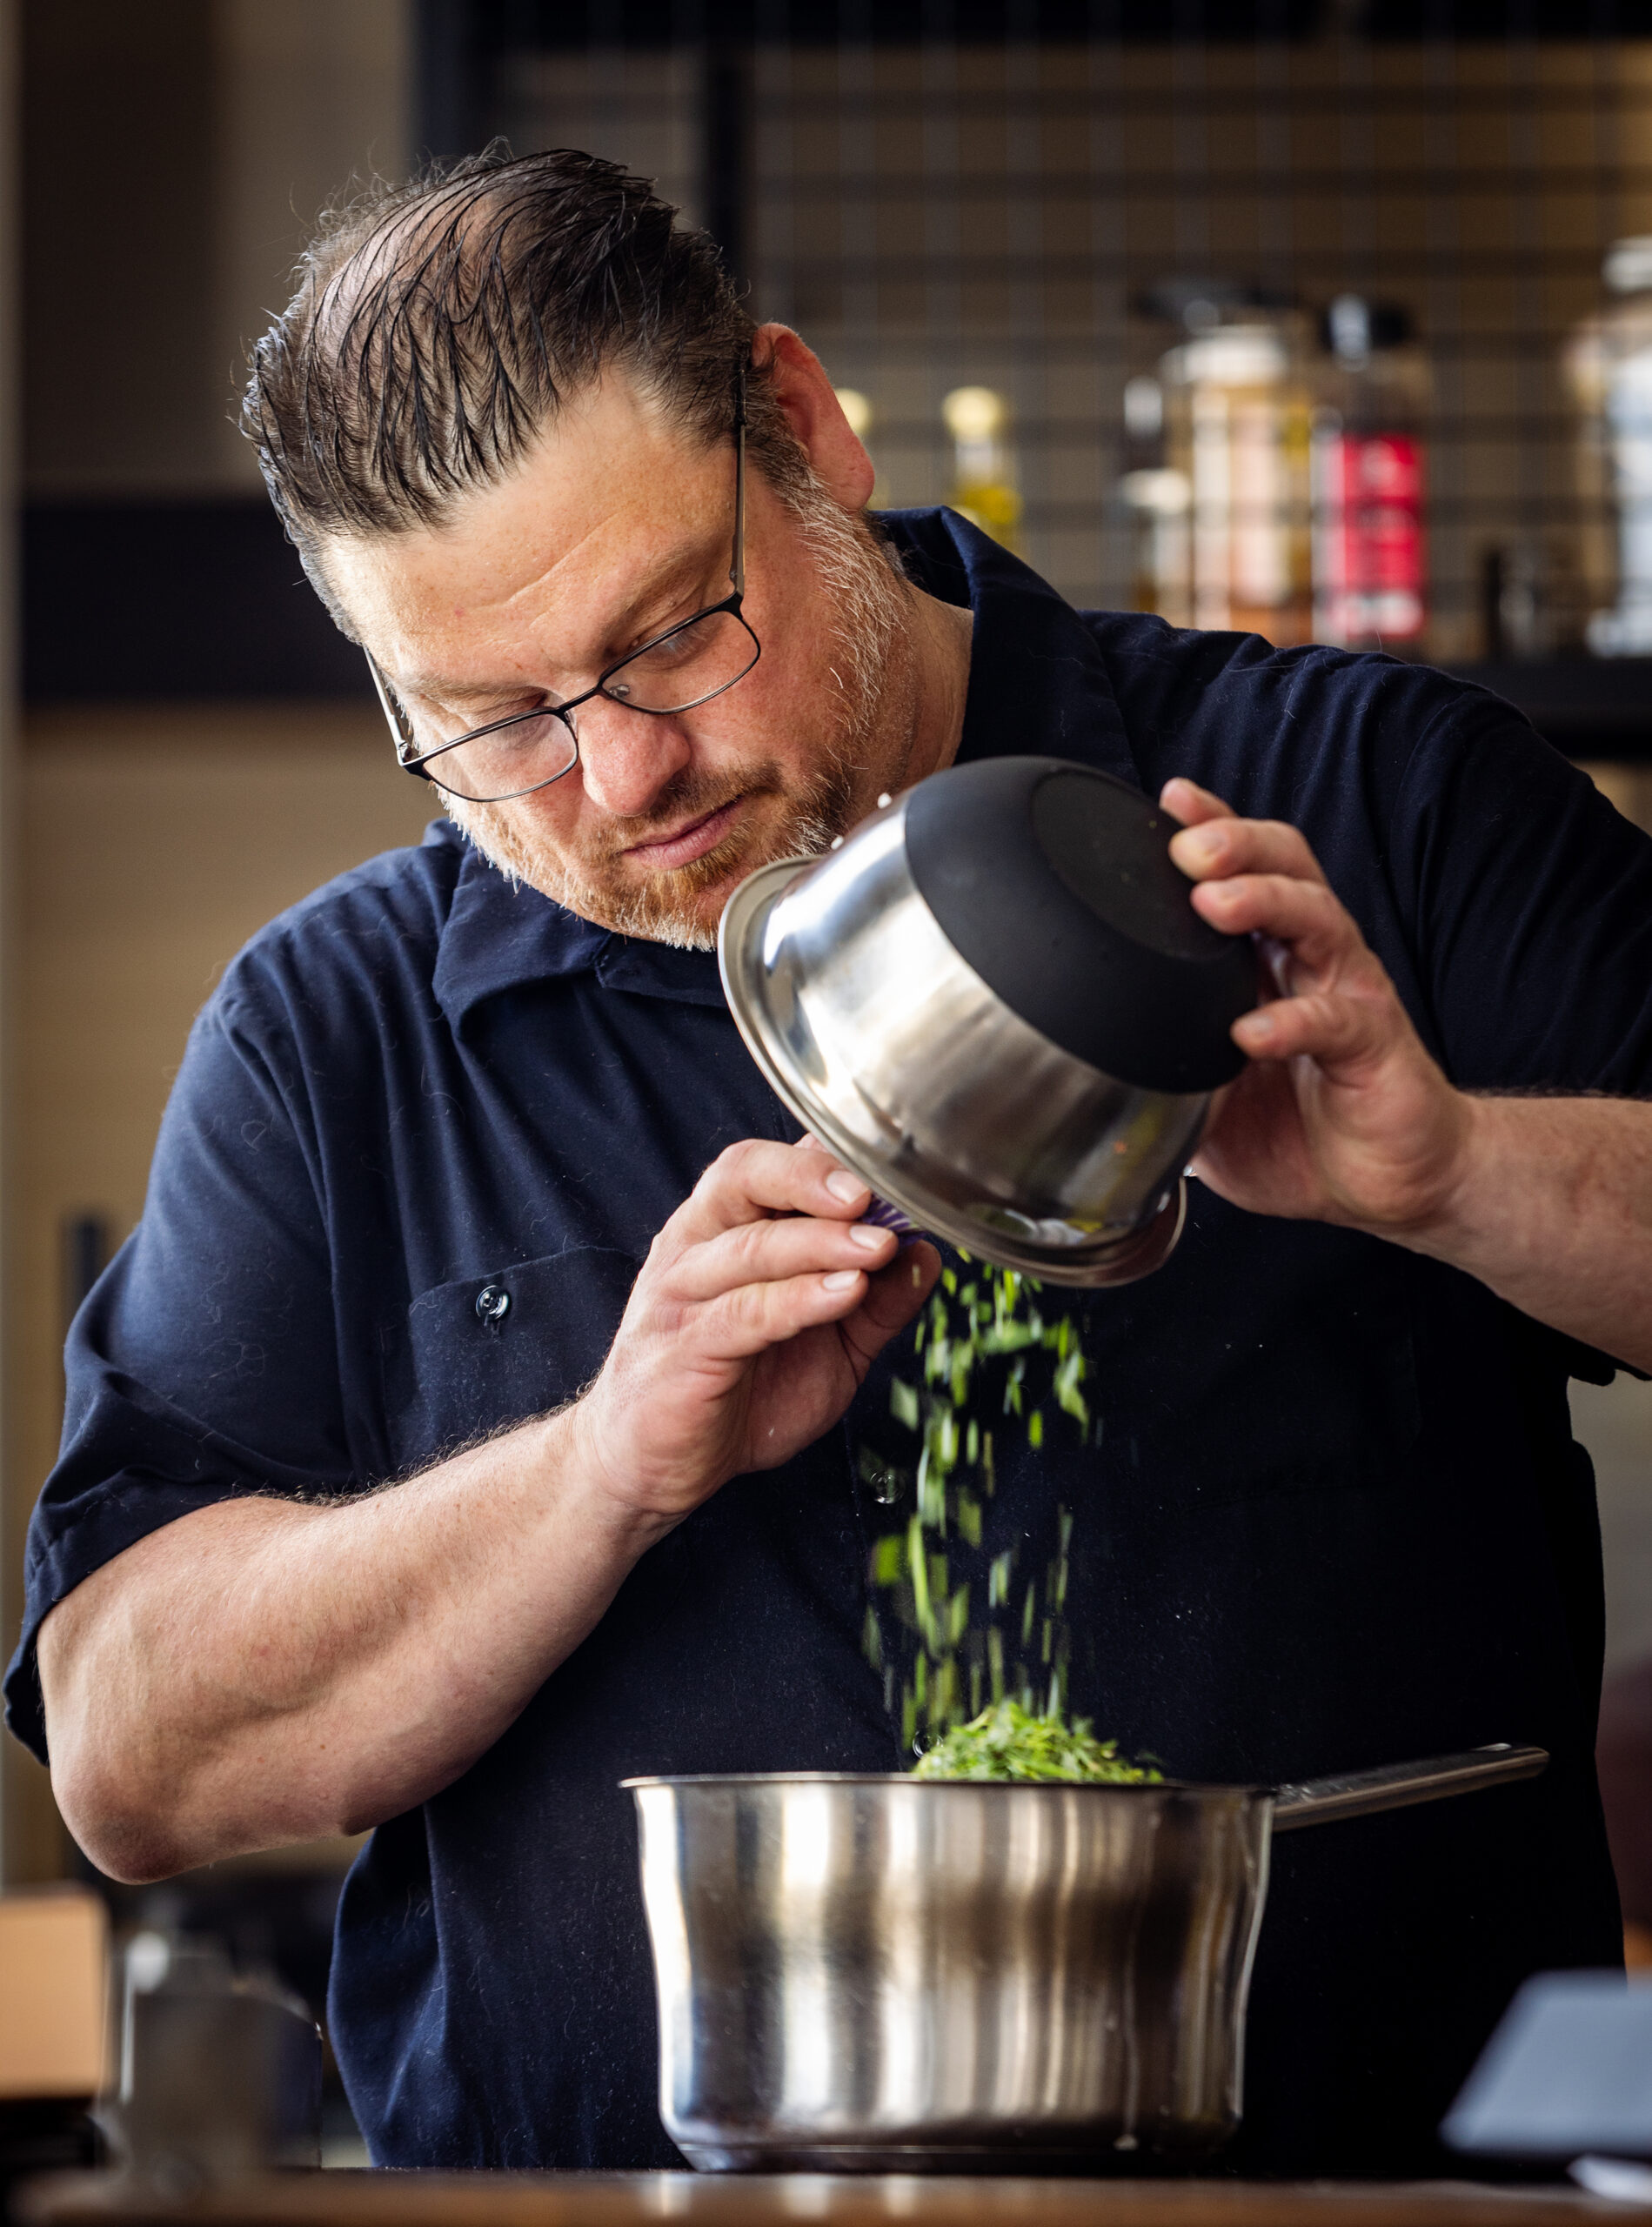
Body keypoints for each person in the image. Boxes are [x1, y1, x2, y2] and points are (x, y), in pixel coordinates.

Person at [9, 146, 1652, 2177]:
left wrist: (1458, 1172)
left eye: (667, 637)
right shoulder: (334, 1029)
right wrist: (601, 1461)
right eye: (491, 720)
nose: (620, 777)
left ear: (800, 430)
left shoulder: (1370, 798)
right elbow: (129, 1754)